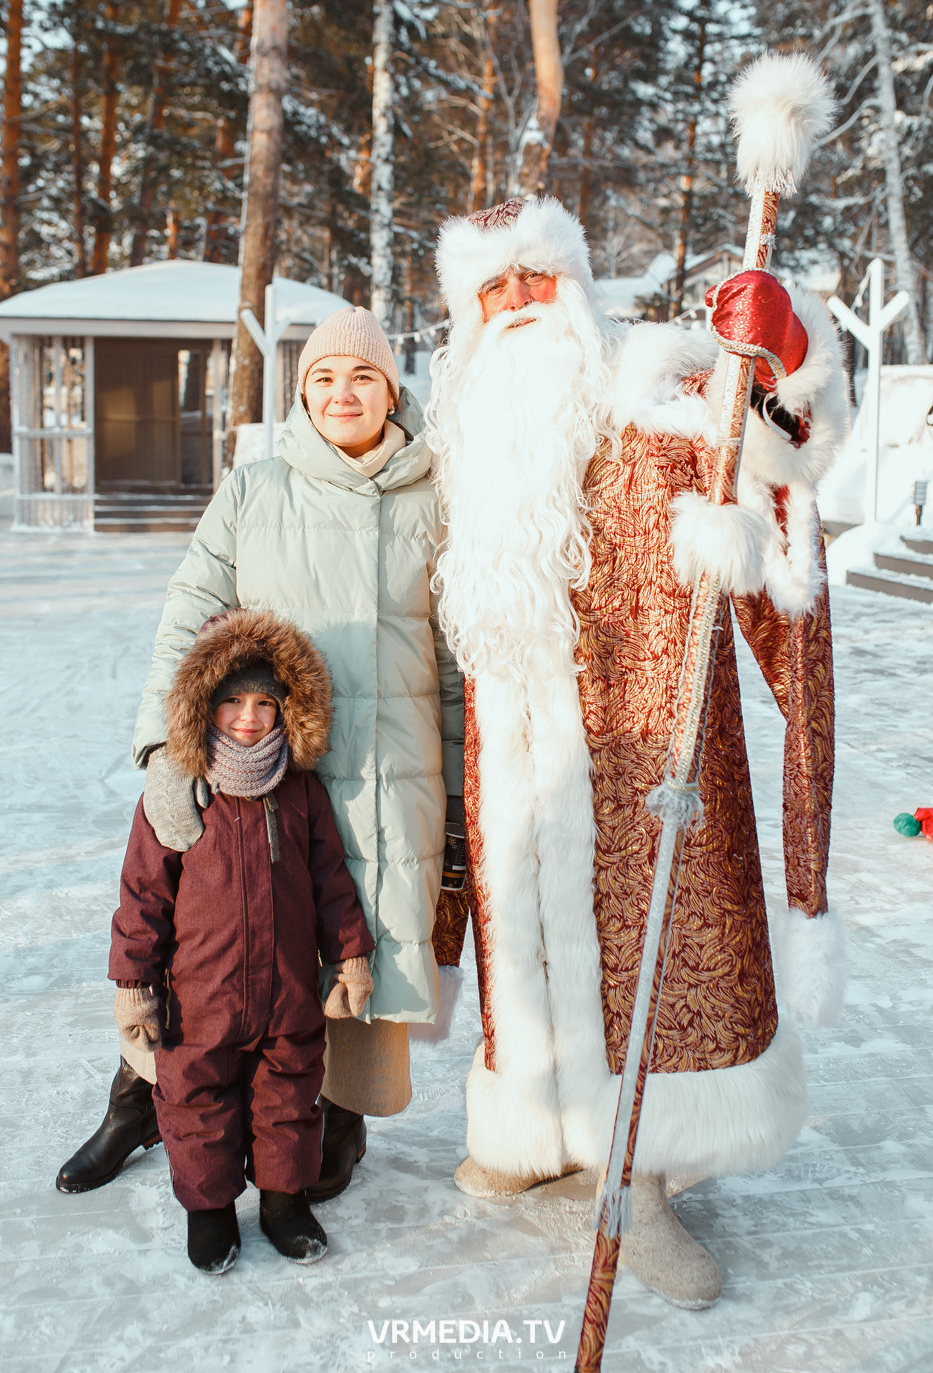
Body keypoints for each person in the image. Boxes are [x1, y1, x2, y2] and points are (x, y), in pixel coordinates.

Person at [425, 196, 849, 1308]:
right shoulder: (467, 438)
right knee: (529, 947)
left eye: (535, 275)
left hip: (652, 763)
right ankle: (537, 1130)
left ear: (573, 285)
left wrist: (784, 351)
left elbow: (778, 443)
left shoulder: (657, 400)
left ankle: (644, 1172)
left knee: (650, 961)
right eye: (492, 287)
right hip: (517, 754)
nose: (517, 301)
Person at [57, 306, 464, 1201]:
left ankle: (337, 1116)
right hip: (264, 769)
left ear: (392, 390)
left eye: (361, 376)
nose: (342, 393)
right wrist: (168, 750)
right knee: (207, 940)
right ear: (302, 394)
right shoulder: (255, 490)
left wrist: (463, 798)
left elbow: (451, 663)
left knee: (358, 943)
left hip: (389, 779)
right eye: (323, 378)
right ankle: (140, 1097)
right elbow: (187, 616)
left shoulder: (437, 497)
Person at [110, 609, 375, 1272]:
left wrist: (349, 955)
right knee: (196, 1098)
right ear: (205, 704)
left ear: (287, 709)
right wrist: (134, 982)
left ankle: (284, 1201)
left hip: (287, 987)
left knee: (289, 1093)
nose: (249, 718)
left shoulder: (299, 789)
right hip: (201, 994)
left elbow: (329, 879)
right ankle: (210, 1209)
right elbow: (143, 893)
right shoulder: (178, 793)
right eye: (233, 701)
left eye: (264, 703)